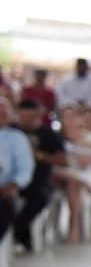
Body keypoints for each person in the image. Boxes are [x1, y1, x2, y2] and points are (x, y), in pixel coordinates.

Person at [12, 98, 66, 252]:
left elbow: (63, 160)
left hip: (39, 179)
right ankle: (20, 237)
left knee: (38, 197)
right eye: (24, 116)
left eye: (31, 116)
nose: (27, 120)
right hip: (14, 178)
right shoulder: (12, 131)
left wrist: (40, 156)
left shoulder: (48, 134)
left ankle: (17, 231)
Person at [52, 105, 91, 242]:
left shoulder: (90, 138)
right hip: (64, 172)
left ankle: (73, 225)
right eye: (66, 117)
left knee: (73, 185)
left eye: (73, 116)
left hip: (85, 173)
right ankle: (73, 227)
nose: (70, 120)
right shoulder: (58, 138)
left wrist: (90, 159)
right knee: (66, 177)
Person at [0, 97, 35, 242]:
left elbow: (25, 169)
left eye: (3, 115)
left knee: (5, 207)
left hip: (4, 189)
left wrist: (15, 184)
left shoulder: (17, 138)